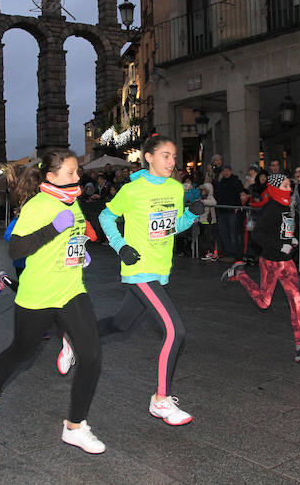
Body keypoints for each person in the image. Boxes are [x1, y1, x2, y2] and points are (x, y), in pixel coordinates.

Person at [0, 149, 106, 454]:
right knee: (20, 353)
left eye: (77, 171)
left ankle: (75, 426)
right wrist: (53, 229)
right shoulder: (37, 206)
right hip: (38, 295)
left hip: (71, 289)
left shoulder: (73, 203)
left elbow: (73, 236)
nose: (78, 177)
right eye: (71, 173)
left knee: (91, 356)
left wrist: (79, 252)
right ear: (51, 177)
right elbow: (16, 249)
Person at [93, 134, 203, 425]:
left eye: (174, 156)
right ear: (149, 157)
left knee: (120, 323)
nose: (172, 162)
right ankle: (161, 400)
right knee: (175, 330)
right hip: (139, 269)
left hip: (160, 269)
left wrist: (190, 216)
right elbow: (106, 216)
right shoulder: (133, 190)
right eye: (166, 155)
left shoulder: (176, 188)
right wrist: (120, 246)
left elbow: (170, 228)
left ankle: (74, 337)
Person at [220, 174, 300, 362]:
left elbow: (283, 231)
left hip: (287, 262)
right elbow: (258, 234)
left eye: (289, 185)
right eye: (284, 185)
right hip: (271, 262)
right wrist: (279, 245)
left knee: (297, 302)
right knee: (264, 302)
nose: (289, 188)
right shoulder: (273, 209)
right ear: (276, 188)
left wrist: (290, 240)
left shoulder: (287, 207)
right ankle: (240, 273)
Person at [215, 164, 245, 260]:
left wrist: (237, 206)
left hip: (232, 211)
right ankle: (228, 253)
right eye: (224, 171)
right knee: (224, 233)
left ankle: (234, 253)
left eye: (228, 170)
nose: (226, 172)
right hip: (222, 211)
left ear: (231, 171)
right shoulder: (221, 182)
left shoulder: (236, 181)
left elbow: (240, 194)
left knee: (233, 233)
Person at [197, 182, 218, 261]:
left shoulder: (210, 197)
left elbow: (214, 202)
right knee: (204, 238)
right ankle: (206, 252)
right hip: (202, 221)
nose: (203, 192)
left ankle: (212, 253)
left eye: (204, 190)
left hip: (209, 221)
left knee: (210, 238)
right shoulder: (202, 198)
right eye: (202, 190)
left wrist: (203, 202)